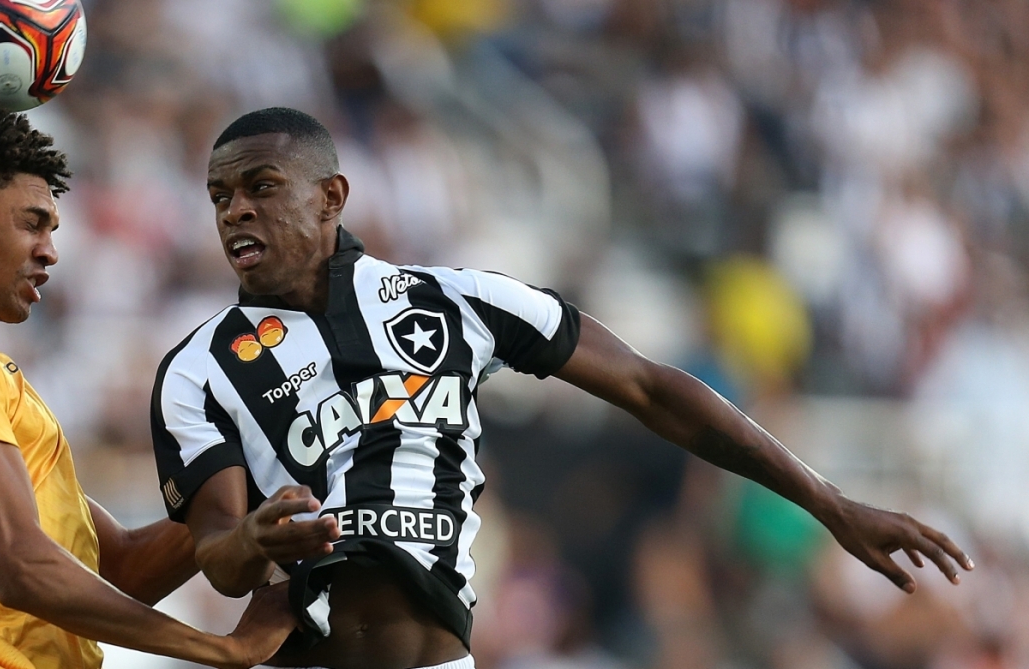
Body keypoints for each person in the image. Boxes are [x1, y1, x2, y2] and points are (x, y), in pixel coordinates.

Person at [150, 107, 974, 669]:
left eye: (261, 186)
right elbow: (220, 559)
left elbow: (651, 389)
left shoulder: (455, 300)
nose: (234, 213)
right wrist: (256, 537)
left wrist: (830, 504)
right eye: (220, 195)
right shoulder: (199, 367)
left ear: (331, 197)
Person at [0, 100, 300, 669]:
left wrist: (252, 492)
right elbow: (19, 565)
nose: (50, 250)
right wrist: (218, 648)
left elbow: (119, 567)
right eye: (31, 222)